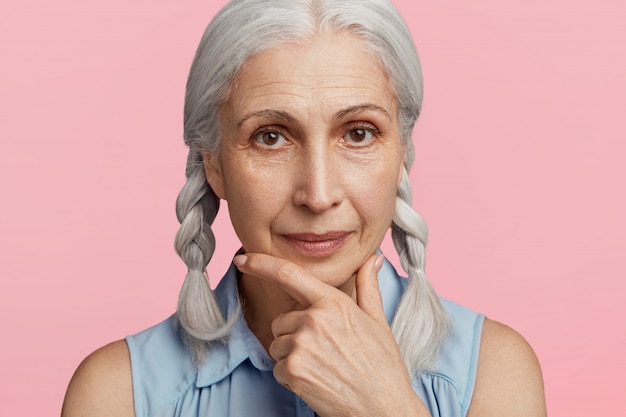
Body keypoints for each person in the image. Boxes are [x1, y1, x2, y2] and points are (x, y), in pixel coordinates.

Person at [62, 0, 547, 416]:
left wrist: (385, 405)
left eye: (358, 133)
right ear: (212, 163)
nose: (317, 195)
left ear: (402, 152)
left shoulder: (493, 371)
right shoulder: (116, 394)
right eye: (271, 137)